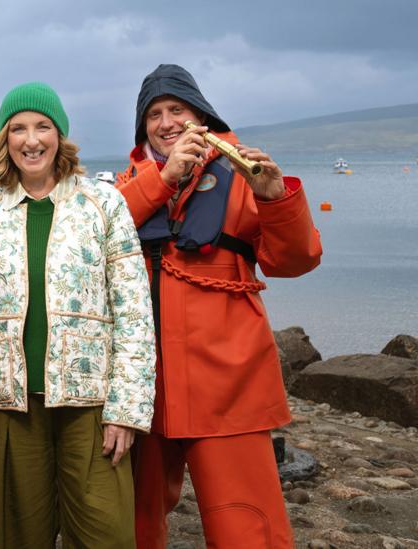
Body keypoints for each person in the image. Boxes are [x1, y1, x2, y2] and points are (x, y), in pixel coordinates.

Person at [0, 82, 156, 548]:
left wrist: (127, 411)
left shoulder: (103, 204)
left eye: (42, 127)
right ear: (3, 139)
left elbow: (134, 311)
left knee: (104, 531)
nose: (31, 140)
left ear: (60, 135)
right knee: (14, 534)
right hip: (8, 401)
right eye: (17, 129)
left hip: (91, 402)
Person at [114, 64, 322, 548]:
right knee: (131, 524)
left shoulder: (242, 175)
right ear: (142, 128)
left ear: (200, 116)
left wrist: (275, 200)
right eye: (154, 115)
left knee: (246, 523)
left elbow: (295, 262)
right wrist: (163, 180)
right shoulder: (127, 185)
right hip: (143, 386)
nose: (166, 123)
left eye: (177, 110)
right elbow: (93, 239)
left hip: (228, 382)